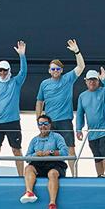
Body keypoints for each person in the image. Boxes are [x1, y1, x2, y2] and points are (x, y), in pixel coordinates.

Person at [35, 39, 85, 176]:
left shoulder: (68, 78)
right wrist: (38, 119)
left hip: (64, 121)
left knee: (70, 149)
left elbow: (81, 67)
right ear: (49, 71)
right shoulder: (44, 84)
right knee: (49, 149)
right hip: (49, 122)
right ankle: (52, 173)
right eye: (53, 69)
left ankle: (74, 176)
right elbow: (39, 102)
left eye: (57, 69)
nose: (55, 71)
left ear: (61, 70)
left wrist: (77, 51)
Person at [0, 41, 28, 177]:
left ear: (9, 70)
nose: (2, 72)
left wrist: (22, 55)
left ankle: (21, 177)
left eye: (5, 70)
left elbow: (24, 72)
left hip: (13, 122)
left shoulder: (15, 82)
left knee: (16, 150)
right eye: (0, 70)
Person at [20, 114, 71, 209]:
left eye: (45, 124)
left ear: (50, 125)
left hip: (55, 164)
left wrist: (51, 152)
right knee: (29, 168)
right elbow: (27, 157)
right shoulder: (34, 140)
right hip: (39, 165)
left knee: (52, 174)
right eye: (40, 124)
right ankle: (29, 192)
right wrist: (36, 154)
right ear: (38, 126)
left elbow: (65, 152)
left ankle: (52, 204)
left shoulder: (57, 137)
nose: (43, 126)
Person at [76, 67, 105, 177]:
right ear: (86, 81)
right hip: (92, 133)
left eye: (94, 79)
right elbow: (80, 114)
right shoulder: (82, 96)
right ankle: (100, 176)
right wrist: (78, 129)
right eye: (90, 80)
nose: (92, 82)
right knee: (97, 157)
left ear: (98, 81)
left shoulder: (104, 91)